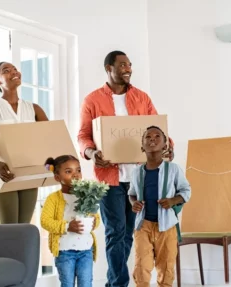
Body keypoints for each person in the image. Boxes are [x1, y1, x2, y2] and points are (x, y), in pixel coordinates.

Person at [77, 50, 174, 287]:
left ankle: (114, 283)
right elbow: (83, 135)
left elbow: (158, 130)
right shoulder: (93, 100)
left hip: (139, 178)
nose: (128, 68)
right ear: (108, 68)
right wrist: (92, 153)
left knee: (130, 230)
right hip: (109, 178)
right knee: (115, 232)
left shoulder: (142, 98)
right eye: (122, 65)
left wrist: (168, 146)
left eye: (129, 65)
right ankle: (118, 283)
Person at [0, 61, 49, 224]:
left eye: (15, 69)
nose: (14, 72)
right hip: (3, 173)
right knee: (8, 230)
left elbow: (49, 137)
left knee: (23, 229)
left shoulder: (34, 108)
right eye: (7, 70)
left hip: (29, 174)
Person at [128, 126, 191, 287]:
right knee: (141, 266)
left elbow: (186, 191)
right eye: (148, 137)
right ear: (142, 146)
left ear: (165, 146)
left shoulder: (173, 169)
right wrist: (133, 202)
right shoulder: (137, 172)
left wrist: (172, 201)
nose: (152, 139)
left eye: (157, 136)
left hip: (167, 226)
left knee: (166, 266)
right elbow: (132, 193)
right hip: (143, 226)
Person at [41, 155, 100, 287]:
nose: (75, 175)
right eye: (68, 171)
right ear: (57, 177)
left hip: (86, 250)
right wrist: (67, 226)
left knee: (86, 283)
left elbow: (95, 217)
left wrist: (94, 222)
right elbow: (45, 221)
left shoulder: (86, 195)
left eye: (78, 170)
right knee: (67, 284)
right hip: (65, 251)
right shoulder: (54, 199)